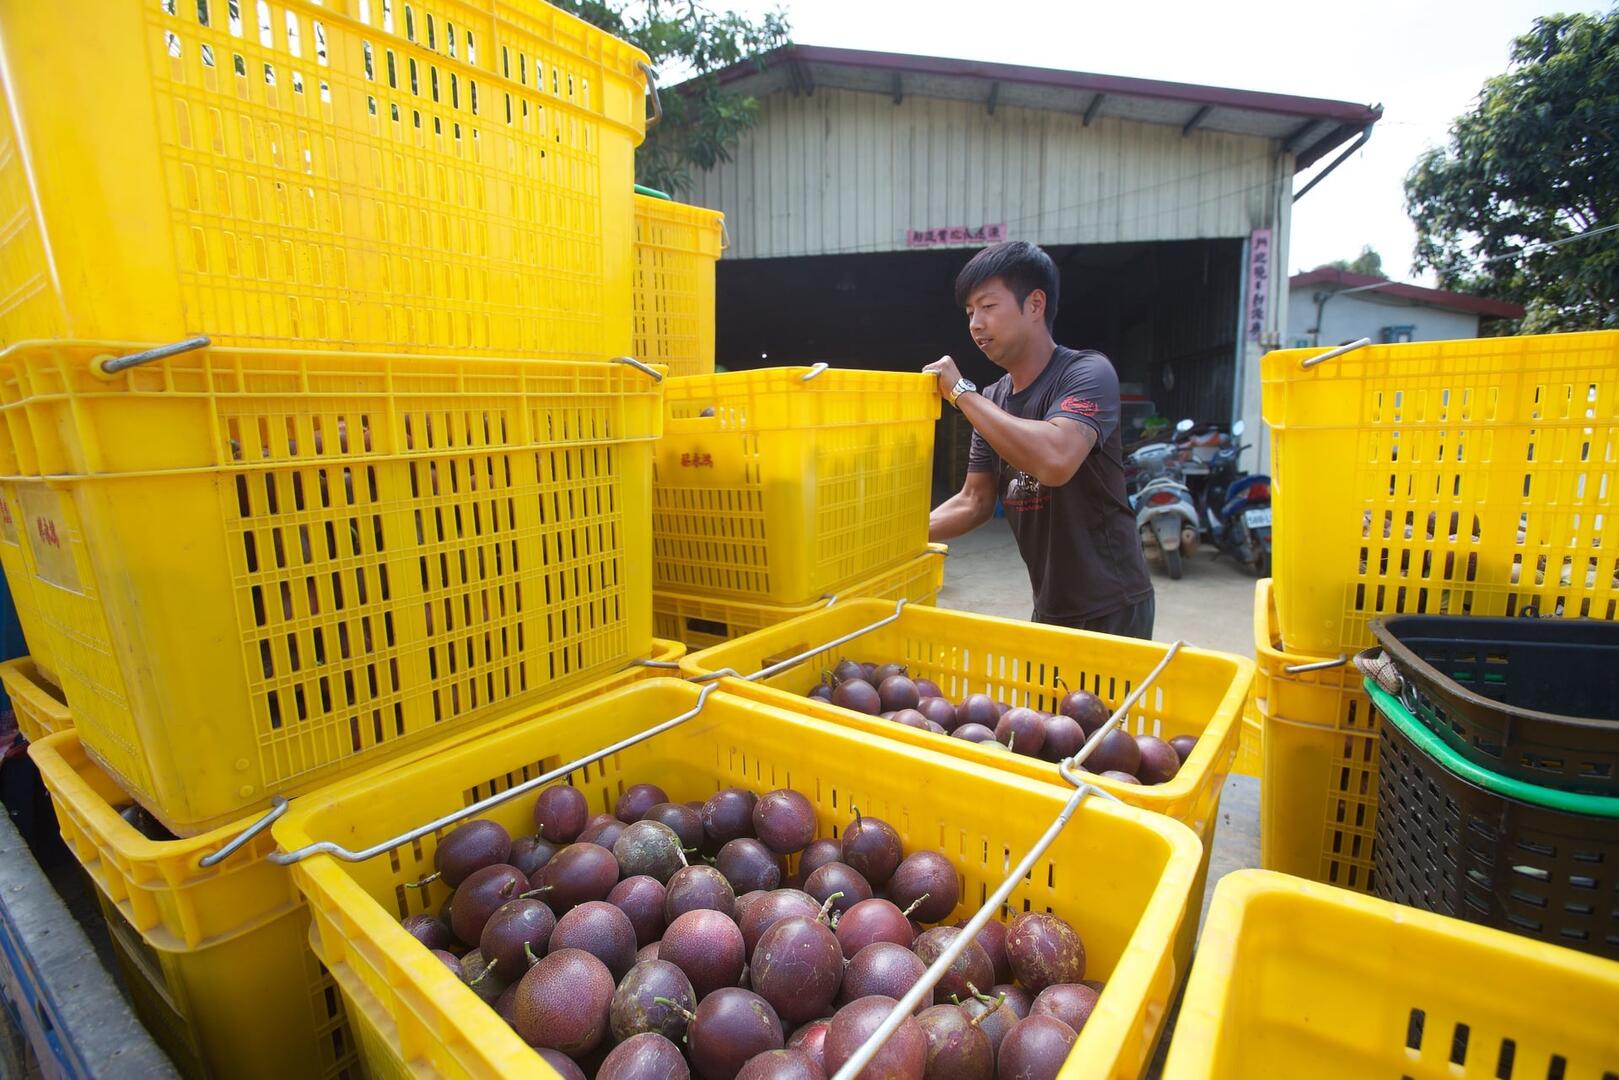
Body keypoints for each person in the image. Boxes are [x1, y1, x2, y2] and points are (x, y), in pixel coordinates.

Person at [925, 241, 1155, 638]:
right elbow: (974, 501)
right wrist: (894, 535)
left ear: (1035, 305)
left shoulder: (1087, 372)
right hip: (1049, 605)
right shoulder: (993, 400)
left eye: (988, 306)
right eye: (969, 312)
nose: (975, 324)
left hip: (1111, 605)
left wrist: (961, 393)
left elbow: (1056, 459)